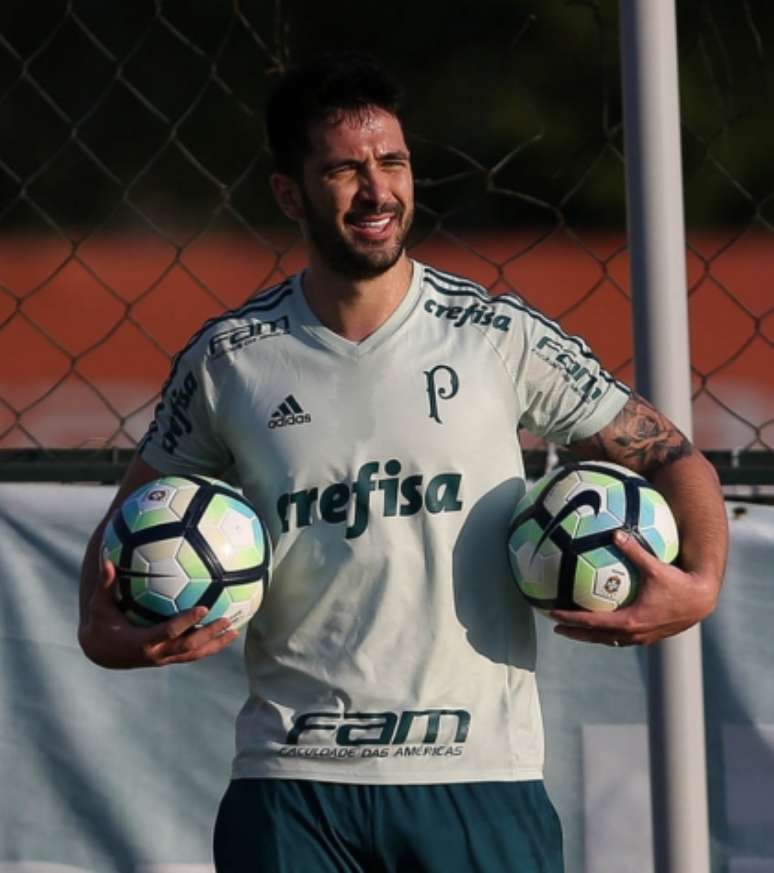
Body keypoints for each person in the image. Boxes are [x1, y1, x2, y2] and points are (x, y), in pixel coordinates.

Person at [78, 51, 728, 872]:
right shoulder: (230, 360)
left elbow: (674, 456)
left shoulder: (497, 335)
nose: (378, 191)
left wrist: (699, 583)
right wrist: (101, 629)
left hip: (478, 777)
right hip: (293, 784)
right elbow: (122, 529)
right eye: (345, 169)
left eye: (393, 162)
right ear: (291, 192)